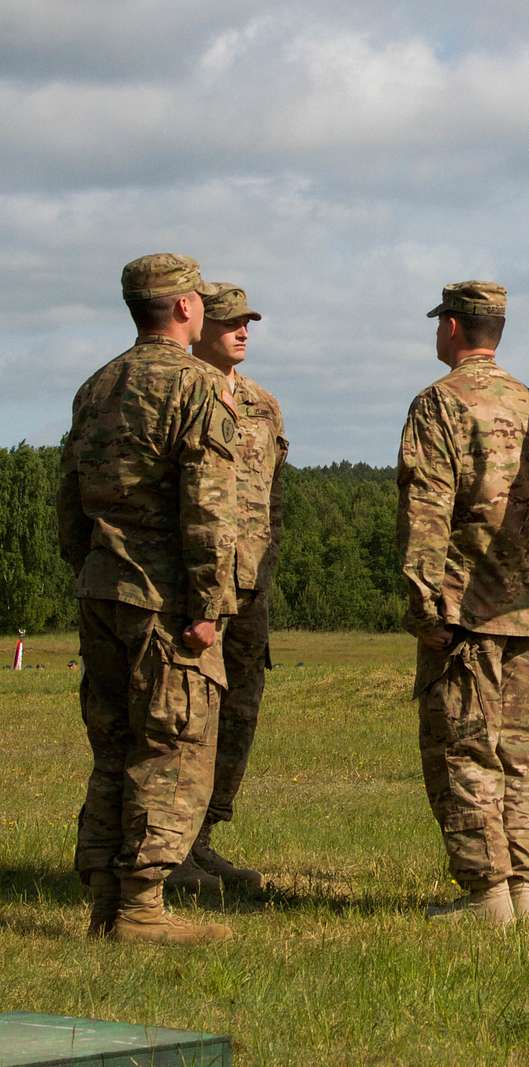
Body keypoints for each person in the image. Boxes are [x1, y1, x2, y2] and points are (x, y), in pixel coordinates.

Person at [57, 253, 237, 944]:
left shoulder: (97, 387)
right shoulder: (195, 388)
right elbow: (209, 507)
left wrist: (92, 569)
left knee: (115, 745)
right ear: (186, 308)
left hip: (103, 592)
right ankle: (140, 907)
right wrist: (207, 606)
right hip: (165, 602)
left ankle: (105, 898)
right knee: (173, 745)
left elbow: (69, 500)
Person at [397, 280, 529, 925]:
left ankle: (488, 896)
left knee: (466, 752)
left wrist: (427, 613)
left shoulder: (440, 407)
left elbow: (426, 517)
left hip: (468, 615)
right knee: (521, 755)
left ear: (451, 327)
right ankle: (523, 891)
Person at [168, 283, 285, 894]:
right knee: (188, 717)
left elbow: (273, 498)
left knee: (238, 714)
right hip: (192, 588)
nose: (242, 332)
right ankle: (169, 849)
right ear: (200, 323)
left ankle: (203, 836)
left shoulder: (263, 406)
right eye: (231, 322)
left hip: (249, 589)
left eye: (249, 323)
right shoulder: (181, 392)